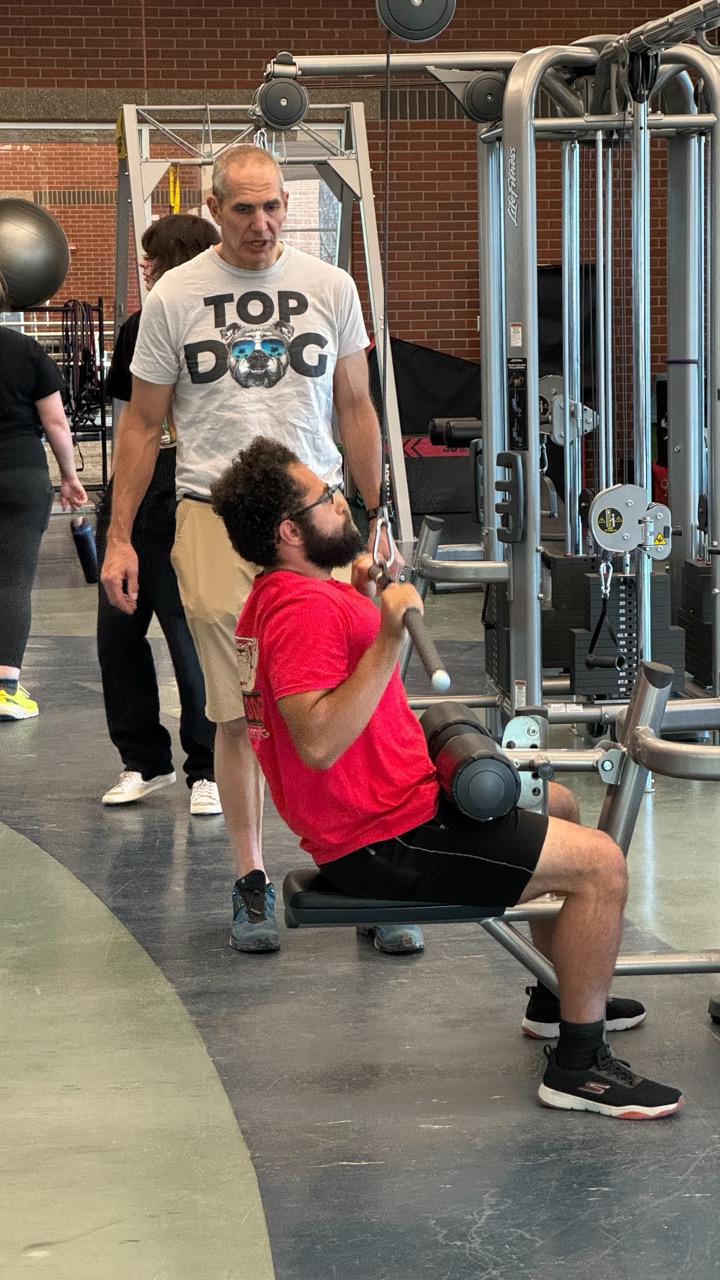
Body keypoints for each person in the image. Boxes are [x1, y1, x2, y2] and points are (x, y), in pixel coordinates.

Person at [208, 436, 684, 1121]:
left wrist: (368, 602)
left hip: (396, 809)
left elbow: (346, 687)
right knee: (601, 865)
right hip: (386, 839)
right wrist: (390, 634)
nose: (342, 504)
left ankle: (556, 998)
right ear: (289, 531)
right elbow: (317, 741)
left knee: (559, 804)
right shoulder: (299, 611)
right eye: (327, 498)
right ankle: (580, 1067)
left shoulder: (288, 594)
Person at [100, 142, 423, 955]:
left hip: (317, 516)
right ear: (214, 208)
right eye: (243, 208)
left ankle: (372, 875)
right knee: (241, 712)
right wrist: (119, 536)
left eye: (273, 205)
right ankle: (250, 879)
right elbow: (142, 424)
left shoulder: (331, 286)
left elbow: (356, 405)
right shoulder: (174, 296)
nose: (262, 222)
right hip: (213, 515)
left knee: (356, 693)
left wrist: (379, 515)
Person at [97, 214, 222, 816]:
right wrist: (116, 523)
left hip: (192, 498)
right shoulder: (141, 325)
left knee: (188, 635)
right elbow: (135, 420)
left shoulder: (215, 323)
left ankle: (208, 768)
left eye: (153, 258)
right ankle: (143, 760)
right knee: (118, 634)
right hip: (139, 492)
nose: (145, 268)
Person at [0, 269, 88, 721]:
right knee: (12, 580)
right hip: (20, 474)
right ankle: (5, 689)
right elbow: (55, 423)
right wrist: (70, 477)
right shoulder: (26, 349)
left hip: (19, 474)